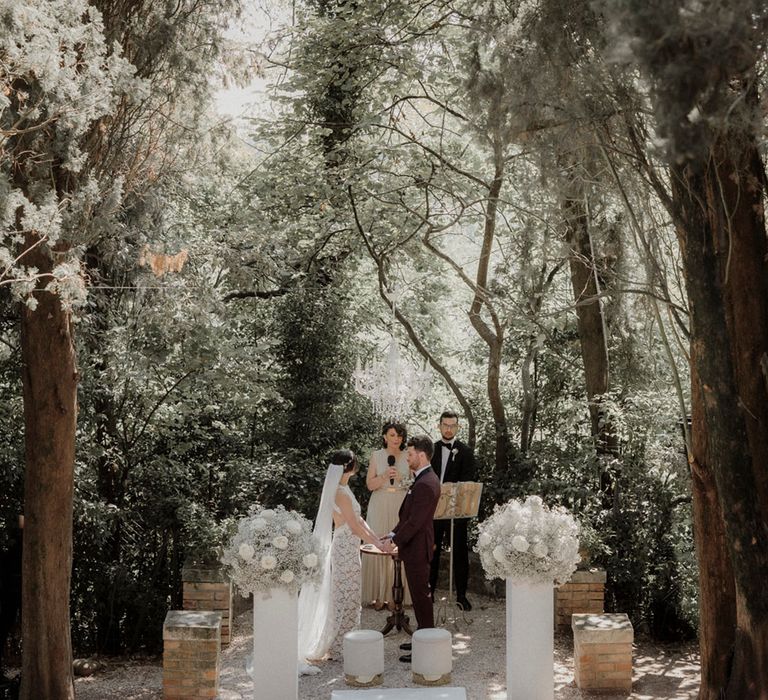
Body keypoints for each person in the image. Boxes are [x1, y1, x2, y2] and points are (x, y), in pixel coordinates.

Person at [298, 450, 383, 672]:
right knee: (344, 595)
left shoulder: (345, 490)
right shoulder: (340, 493)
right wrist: (376, 543)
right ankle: (338, 646)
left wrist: (377, 539)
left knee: (351, 594)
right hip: (344, 548)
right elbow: (353, 526)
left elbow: (360, 520)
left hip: (351, 547)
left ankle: (347, 640)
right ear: (350, 467)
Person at [380, 435, 441, 663]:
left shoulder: (427, 483)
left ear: (422, 455)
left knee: (421, 598)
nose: (407, 457)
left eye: (410, 453)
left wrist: (394, 542)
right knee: (417, 597)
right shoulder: (422, 479)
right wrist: (393, 534)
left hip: (417, 548)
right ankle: (421, 640)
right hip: (413, 546)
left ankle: (426, 647)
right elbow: (407, 517)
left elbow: (415, 523)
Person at [429, 411, 476, 611]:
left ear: (458, 428)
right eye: (445, 425)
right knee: (431, 550)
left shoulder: (465, 451)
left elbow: (469, 479)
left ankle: (462, 595)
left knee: (459, 553)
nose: (448, 429)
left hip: (456, 510)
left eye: (452, 425)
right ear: (439, 426)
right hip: (433, 509)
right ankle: (428, 592)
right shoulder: (430, 449)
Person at [361, 421, 411, 610]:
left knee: (398, 546)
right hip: (380, 502)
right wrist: (383, 476)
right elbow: (369, 485)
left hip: (401, 503)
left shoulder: (408, 456)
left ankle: (395, 596)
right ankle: (377, 595)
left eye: (399, 436)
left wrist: (401, 478)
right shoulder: (376, 456)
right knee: (379, 545)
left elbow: (414, 484)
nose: (396, 439)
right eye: (392, 435)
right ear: (384, 437)